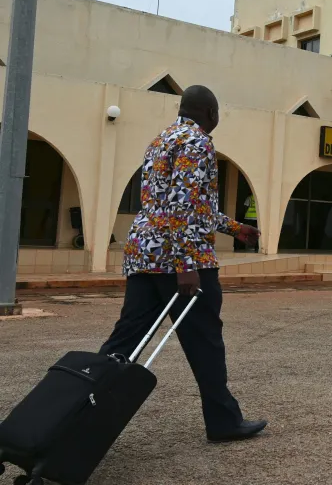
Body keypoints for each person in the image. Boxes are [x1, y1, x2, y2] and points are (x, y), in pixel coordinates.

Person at [100, 85, 268, 442]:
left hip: (145, 255)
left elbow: (186, 205)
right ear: (210, 112)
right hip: (179, 258)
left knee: (124, 341)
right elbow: (182, 204)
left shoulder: (160, 140)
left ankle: (76, 412)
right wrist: (186, 262)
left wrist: (236, 229)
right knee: (205, 341)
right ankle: (224, 422)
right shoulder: (198, 141)